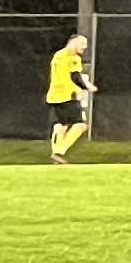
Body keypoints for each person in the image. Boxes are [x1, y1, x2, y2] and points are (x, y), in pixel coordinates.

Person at [44, 28, 95, 163]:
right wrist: (87, 86)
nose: (85, 47)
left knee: (60, 125)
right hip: (67, 95)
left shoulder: (58, 55)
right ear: (73, 42)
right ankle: (60, 152)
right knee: (81, 125)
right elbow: (75, 76)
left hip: (54, 95)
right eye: (82, 43)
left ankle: (56, 153)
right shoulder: (73, 57)